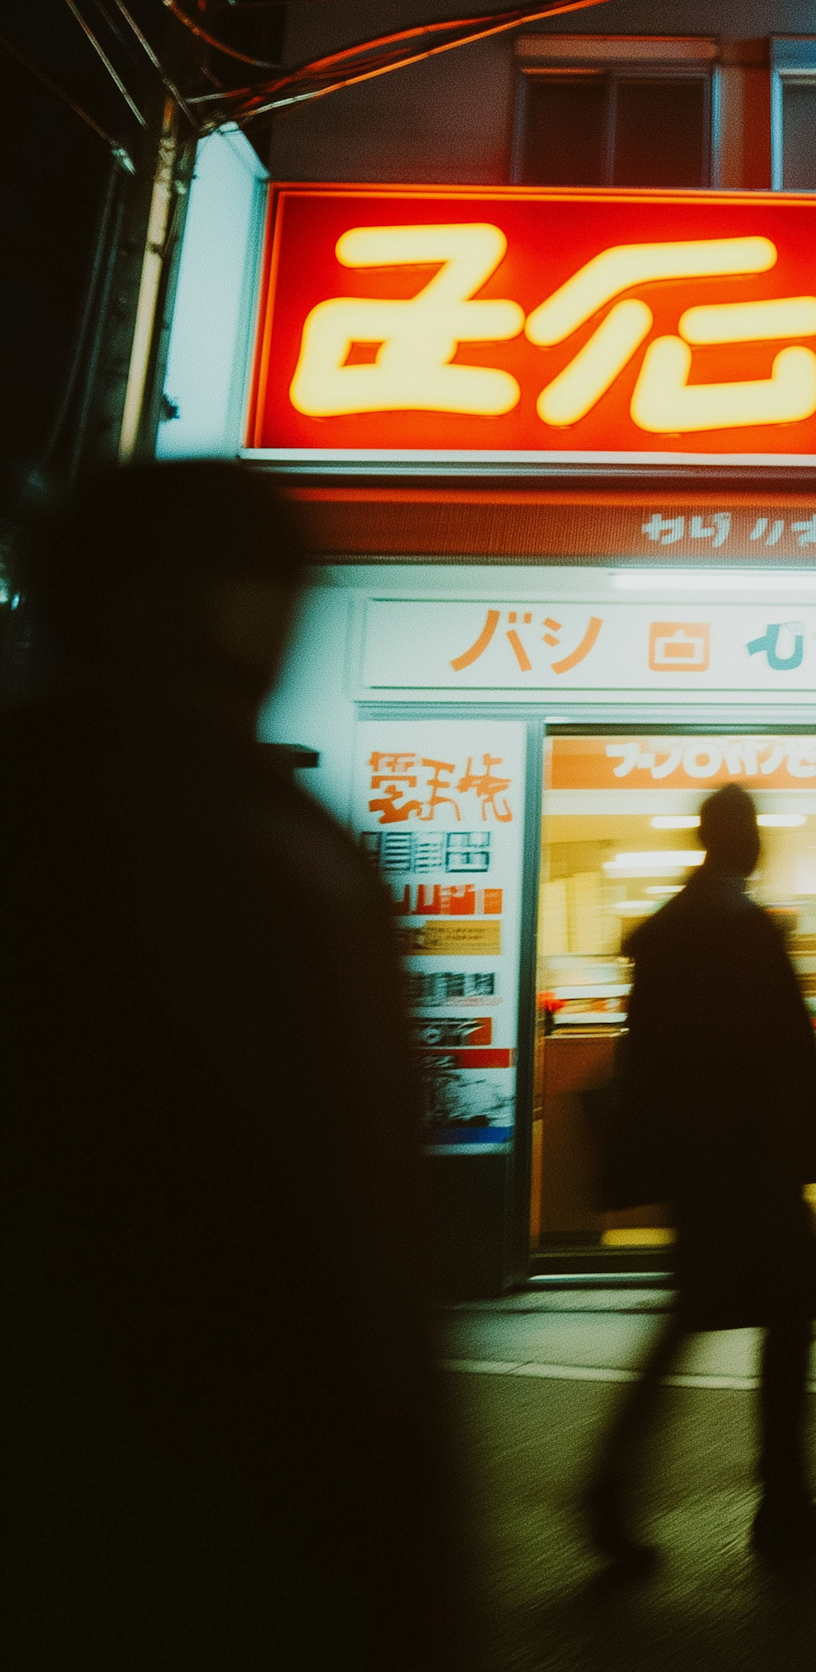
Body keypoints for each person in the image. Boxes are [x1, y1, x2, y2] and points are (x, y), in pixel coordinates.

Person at [1, 464, 468, 1670]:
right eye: (276, 590)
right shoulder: (254, 844)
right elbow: (351, 1210)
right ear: (212, 607)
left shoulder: (235, 821)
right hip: (242, 1461)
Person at [585, 781, 816, 1565]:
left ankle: (621, 1488)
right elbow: (773, 1053)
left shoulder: (675, 927)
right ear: (741, 839)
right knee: (784, 1318)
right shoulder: (739, 925)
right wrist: (804, 1148)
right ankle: (778, 1500)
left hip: (705, 1161)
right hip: (750, 1162)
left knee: (698, 1319)